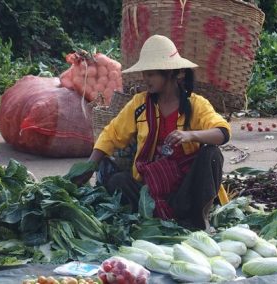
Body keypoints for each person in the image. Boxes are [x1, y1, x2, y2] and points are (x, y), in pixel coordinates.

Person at [75, 35, 231, 232]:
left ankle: (200, 220)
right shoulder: (139, 104)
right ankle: (157, 215)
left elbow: (223, 132)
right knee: (117, 181)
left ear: (171, 73)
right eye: (145, 74)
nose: (145, 79)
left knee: (212, 155)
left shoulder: (196, 104)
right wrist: (88, 167)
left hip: (186, 192)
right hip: (150, 191)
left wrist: (191, 136)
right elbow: (111, 134)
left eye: (151, 74)